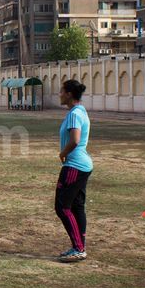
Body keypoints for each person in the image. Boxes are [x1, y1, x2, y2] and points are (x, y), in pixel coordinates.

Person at [55, 79, 93, 263]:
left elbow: (75, 140)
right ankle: (79, 246)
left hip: (74, 166)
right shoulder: (80, 111)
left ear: (69, 94)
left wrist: (62, 153)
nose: (60, 94)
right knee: (77, 207)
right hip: (82, 166)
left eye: (62, 91)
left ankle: (78, 248)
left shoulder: (74, 114)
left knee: (62, 207)